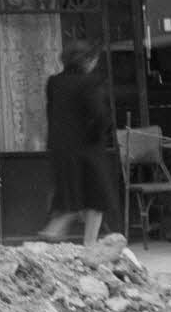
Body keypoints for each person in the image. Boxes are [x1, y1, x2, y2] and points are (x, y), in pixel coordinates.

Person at [39, 39, 119, 246]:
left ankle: (56, 227)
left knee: (71, 194)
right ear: (87, 61)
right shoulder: (90, 82)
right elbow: (100, 115)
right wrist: (96, 136)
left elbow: (52, 113)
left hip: (60, 147)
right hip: (87, 148)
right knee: (97, 197)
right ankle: (88, 245)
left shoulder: (54, 82)